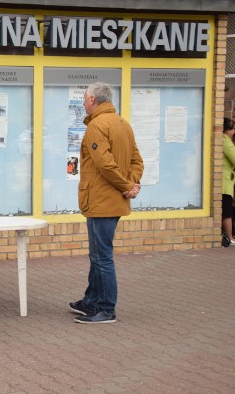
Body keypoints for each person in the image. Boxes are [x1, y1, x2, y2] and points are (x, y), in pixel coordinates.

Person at [69, 82, 143, 324]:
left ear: (92, 100)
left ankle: (106, 309)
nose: (83, 103)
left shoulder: (96, 126)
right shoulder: (123, 123)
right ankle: (91, 301)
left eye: (85, 99)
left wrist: (126, 186)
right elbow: (137, 160)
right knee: (98, 255)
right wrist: (132, 184)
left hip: (102, 199)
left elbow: (104, 164)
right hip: (115, 198)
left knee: (102, 257)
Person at [221, 117, 235, 246]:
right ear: (227, 130)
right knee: (227, 211)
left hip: (226, 181)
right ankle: (230, 237)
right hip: (224, 183)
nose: (234, 131)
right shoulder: (225, 142)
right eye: (233, 129)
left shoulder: (225, 140)